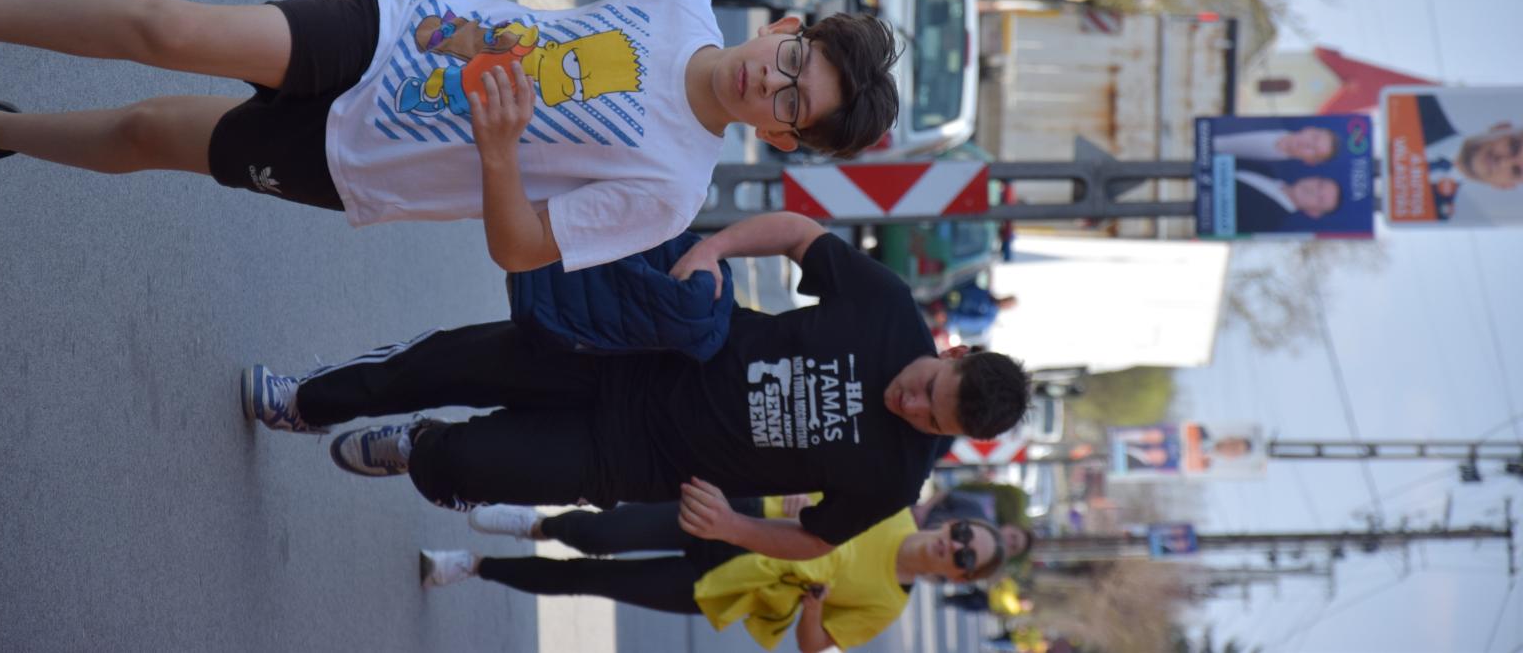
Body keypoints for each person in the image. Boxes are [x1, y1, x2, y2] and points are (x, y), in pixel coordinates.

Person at [0, 0, 899, 272]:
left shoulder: (672, 192)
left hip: (360, 162)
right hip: (397, 35)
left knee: (147, 132)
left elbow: (521, 248)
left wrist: (501, 150)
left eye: (791, 103)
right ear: (784, 27)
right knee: (168, 27)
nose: (769, 81)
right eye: (792, 59)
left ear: (783, 136)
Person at [243, 211, 1032, 559]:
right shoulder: (888, 309)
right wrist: (713, 249)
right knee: (441, 364)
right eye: (929, 385)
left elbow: (817, 539)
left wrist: (733, 526)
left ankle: (423, 448)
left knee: (465, 463)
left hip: (634, 458)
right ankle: (304, 402)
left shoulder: (894, 478)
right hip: (629, 350)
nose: (911, 403)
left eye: (931, 418)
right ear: (954, 349)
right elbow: (799, 235)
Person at [417, 495, 1005, 652]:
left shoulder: (889, 604)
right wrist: (801, 488)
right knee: (602, 534)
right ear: (952, 523)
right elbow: (822, 471)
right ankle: (539, 525)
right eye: (961, 534)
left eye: (964, 557)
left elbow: (813, 645)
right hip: (737, 517)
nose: (951, 546)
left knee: (592, 581)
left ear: (959, 579)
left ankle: (474, 566)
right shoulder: (890, 506)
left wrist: (815, 606)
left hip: (731, 588)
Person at [1233, 169, 1340, 230]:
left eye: (1320, 199)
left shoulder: (1264, 223)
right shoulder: (1264, 169)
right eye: (1320, 185)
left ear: (1313, 213)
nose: (1313, 191)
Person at [1212, 124, 1338, 165]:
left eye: (1314, 150)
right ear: (1309, 129)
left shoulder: (1268, 172)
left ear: (1310, 161)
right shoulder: (1268, 118)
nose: (1307, 144)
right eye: (1314, 137)